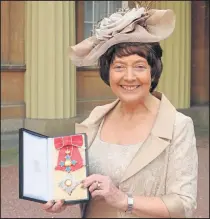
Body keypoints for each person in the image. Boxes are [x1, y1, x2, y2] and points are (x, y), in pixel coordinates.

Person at [42, 4, 198, 218]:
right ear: (108, 73)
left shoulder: (178, 125)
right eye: (119, 67)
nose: (129, 76)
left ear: (153, 72)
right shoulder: (96, 118)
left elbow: (184, 204)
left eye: (140, 66)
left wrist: (124, 200)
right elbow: (80, 181)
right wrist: (64, 195)